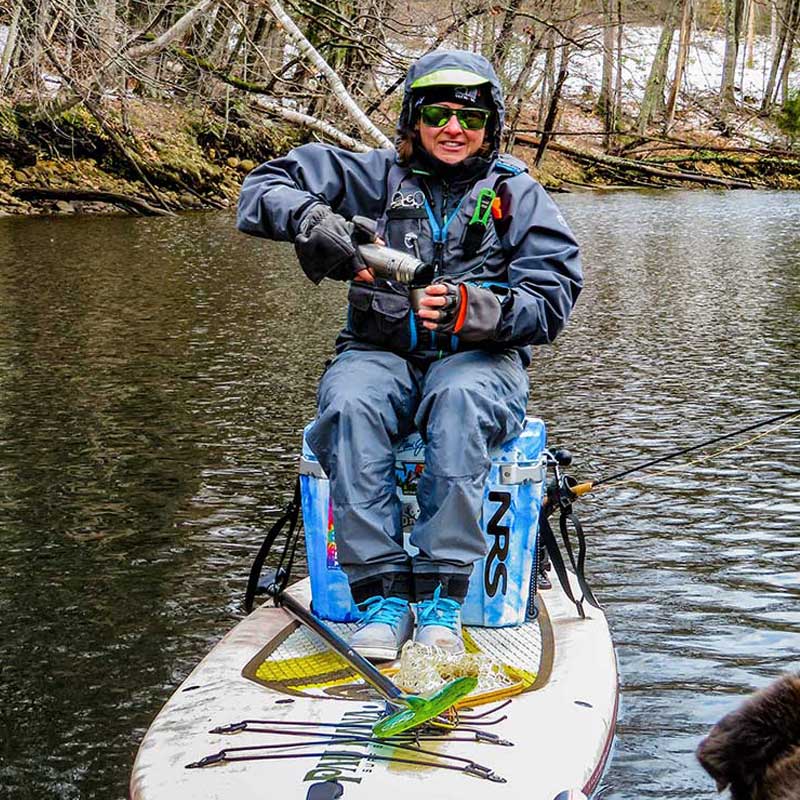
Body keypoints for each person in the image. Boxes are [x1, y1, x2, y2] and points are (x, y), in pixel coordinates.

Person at [237, 50, 582, 661]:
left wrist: (472, 310)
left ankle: (445, 596)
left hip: (481, 360)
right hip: (376, 350)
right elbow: (261, 189)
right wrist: (316, 221)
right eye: (440, 114)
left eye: (471, 118)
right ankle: (383, 595)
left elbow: (552, 297)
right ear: (414, 119)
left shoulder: (517, 193)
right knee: (348, 401)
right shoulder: (371, 175)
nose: (455, 129)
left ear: (491, 127)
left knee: (459, 399)